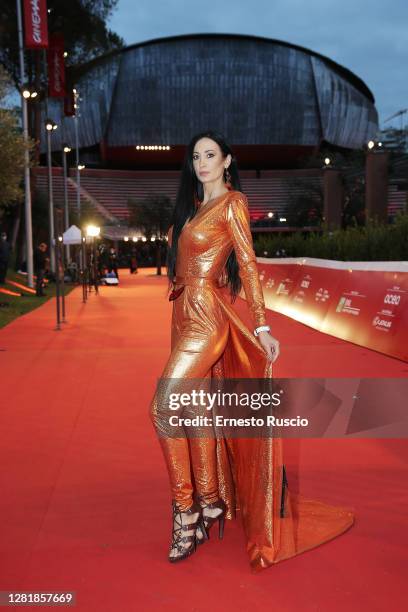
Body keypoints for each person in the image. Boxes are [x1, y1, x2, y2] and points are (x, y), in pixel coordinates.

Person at [149, 131, 354, 570]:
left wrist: (261, 323)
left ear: (227, 161)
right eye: (196, 156)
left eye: (211, 155)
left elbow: (248, 263)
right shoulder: (193, 207)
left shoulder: (232, 203)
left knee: (164, 406)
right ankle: (209, 501)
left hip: (207, 318)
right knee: (195, 408)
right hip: (182, 313)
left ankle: (184, 511)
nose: (202, 162)